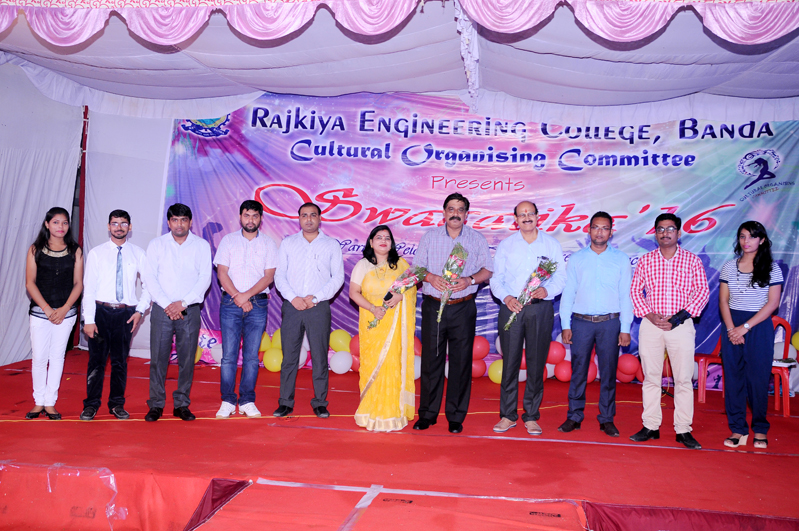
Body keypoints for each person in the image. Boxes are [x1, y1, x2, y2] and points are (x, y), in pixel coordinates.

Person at [413, 192, 492, 434]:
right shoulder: (430, 237)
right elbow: (416, 269)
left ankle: (456, 416)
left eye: (460, 209)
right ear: (444, 212)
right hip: (433, 305)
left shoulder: (476, 239)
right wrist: (430, 277)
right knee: (431, 362)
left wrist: (469, 280)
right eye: (451, 209)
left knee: (460, 363)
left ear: (466, 214)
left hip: (463, 307)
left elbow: (488, 270)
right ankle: (427, 414)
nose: (455, 213)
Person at [630, 213, 709, 449]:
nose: (665, 233)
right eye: (661, 229)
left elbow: (702, 293)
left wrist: (678, 318)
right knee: (651, 377)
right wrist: (650, 315)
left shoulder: (692, 261)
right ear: (655, 234)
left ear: (679, 233)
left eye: (670, 229)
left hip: (681, 325)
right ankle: (650, 426)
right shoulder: (646, 260)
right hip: (651, 325)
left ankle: (683, 429)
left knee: (683, 379)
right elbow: (635, 291)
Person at [490, 201, 566, 436]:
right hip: (511, 307)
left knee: (536, 363)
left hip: (539, 309)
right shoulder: (507, 245)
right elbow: (496, 279)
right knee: (510, 363)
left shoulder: (551, 244)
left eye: (530, 213)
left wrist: (547, 290)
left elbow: (560, 278)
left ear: (537, 216)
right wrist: (506, 297)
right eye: (521, 214)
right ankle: (507, 415)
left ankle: (531, 416)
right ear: (515, 220)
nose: (526, 217)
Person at [558, 211, 632, 437]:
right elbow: (569, 292)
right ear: (588, 230)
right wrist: (565, 324)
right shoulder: (577, 259)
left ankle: (607, 419)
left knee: (608, 372)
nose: (600, 232)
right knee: (578, 371)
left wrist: (625, 328)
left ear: (611, 232)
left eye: (605, 228)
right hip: (581, 323)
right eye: (596, 227)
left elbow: (625, 295)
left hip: (610, 323)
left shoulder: (621, 259)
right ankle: (574, 416)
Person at [273, 202, 344, 419]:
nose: (309, 219)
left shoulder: (331, 245)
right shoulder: (288, 243)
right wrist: (293, 298)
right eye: (304, 215)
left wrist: (315, 298)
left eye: (313, 215)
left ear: (320, 218)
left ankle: (320, 402)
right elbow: (279, 275)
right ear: (299, 219)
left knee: (320, 356)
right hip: (292, 306)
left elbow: (338, 278)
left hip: (318, 307)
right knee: (289, 357)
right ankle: (285, 402)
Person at [142, 203, 212, 422]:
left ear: (190, 222)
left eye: (183, 220)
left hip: (189, 310)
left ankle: (181, 404)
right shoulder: (157, 245)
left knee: (187, 359)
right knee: (158, 359)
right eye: (175, 220)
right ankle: (156, 404)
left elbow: (205, 278)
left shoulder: (201, 246)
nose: (179, 224)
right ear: (168, 222)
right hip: (162, 310)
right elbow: (150, 277)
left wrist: (182, 303)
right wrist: (168, 305)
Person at [80, 210, 150, 421]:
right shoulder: (96, 253)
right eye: (115, 223)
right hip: (100, 313)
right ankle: (91, 405)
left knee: (120, 362)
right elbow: (89, 289)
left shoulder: (138, 253)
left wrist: (139, 311)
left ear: (130, 227)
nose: (119, 227)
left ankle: (117, 404)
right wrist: (89, 320)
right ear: (108, 226)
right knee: (96, 362)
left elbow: (149, 285)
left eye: (123, 223)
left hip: (125, 314)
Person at [719, 221, 782, 449]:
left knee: (757, 380)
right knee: (733, 378)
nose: (747, 241)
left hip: (759, 326)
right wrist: (731, 329)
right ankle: (738, 428)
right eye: (743, 236)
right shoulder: (729, 266)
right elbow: (723, 301)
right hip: (731, 325)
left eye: (752, 237)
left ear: (762, 240)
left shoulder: (772, 268)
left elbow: (772, 304)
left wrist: (744, 327)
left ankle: (760, 429)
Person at [213, 200, 278, 419]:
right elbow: (222, 272)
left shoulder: (269, 243)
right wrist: (238, 297)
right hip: (230, 304)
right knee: (229, 356)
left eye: (255, 216)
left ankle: (247, 401)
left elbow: (268, 276)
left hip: (257, 305)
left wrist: (246, 296)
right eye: (247, 215)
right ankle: (228, 401)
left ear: (261, 218)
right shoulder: (228, 241)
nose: (250, 220)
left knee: (251, 357)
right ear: (240, 217)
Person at [349, 225, 417, 431]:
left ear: (391, 243)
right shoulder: (362, 265)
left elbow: (411, 289)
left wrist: (400, 296)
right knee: (372, 365)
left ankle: (392, 414)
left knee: (393, 365)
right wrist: (373, 308)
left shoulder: (401, 265)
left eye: (387, 238)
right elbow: (354, 292)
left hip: (395, 326)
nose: (383, 241)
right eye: (379, 237)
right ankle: (370, 412)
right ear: (371, 242)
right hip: (372, 324)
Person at [24, 207, 84, 420]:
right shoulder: (35, 249)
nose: (61, 226)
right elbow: (30, 283)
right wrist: (47, 309)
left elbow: (78, 283)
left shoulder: (75, 250)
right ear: (47, 224)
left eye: (65, 222)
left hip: (66, 314)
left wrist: (65, 308)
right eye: (56, 222)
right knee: (39, 358)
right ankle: (38, 401)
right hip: (40, 313)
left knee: (57, 357)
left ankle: (50, 403)